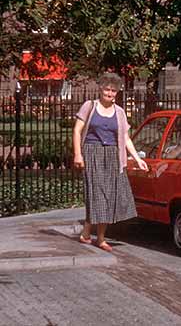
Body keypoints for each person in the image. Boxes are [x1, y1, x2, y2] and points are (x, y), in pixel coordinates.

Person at [72, 73, 148, 252]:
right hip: (92, 152)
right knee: (97, 194)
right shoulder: (89, 106)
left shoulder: (119, 112)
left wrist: (138, 159)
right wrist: (78, 155)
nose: (110, 93)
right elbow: (77, 131)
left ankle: (93, 235)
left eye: (113, 90)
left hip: (113, 155)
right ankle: (97, 237)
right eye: (107, 89)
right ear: (101, 89)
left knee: (109, 195)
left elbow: (125, 138)